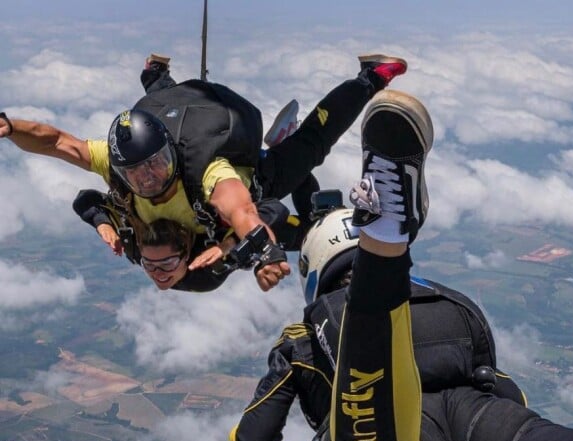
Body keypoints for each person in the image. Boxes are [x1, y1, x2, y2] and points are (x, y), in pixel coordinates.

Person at [231, 89, 573, 441]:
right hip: (483, 427)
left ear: (316, 273)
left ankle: (386, 234)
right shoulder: (450, 302)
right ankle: (386, 237)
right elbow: (510, 396)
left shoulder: (303, 338)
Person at [0, 52, 407, 292]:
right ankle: (156, 78)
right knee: (164, 100)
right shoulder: (123, 174)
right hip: (183, 126)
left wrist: (263, 251)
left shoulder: (205, 170)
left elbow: (245, 210)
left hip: (249, 169)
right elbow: (57, 143)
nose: (148, 179)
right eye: (137, 172)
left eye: (157, 165)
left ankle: (369, 77)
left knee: (311, 146)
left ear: (169, 154)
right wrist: (10, 126)